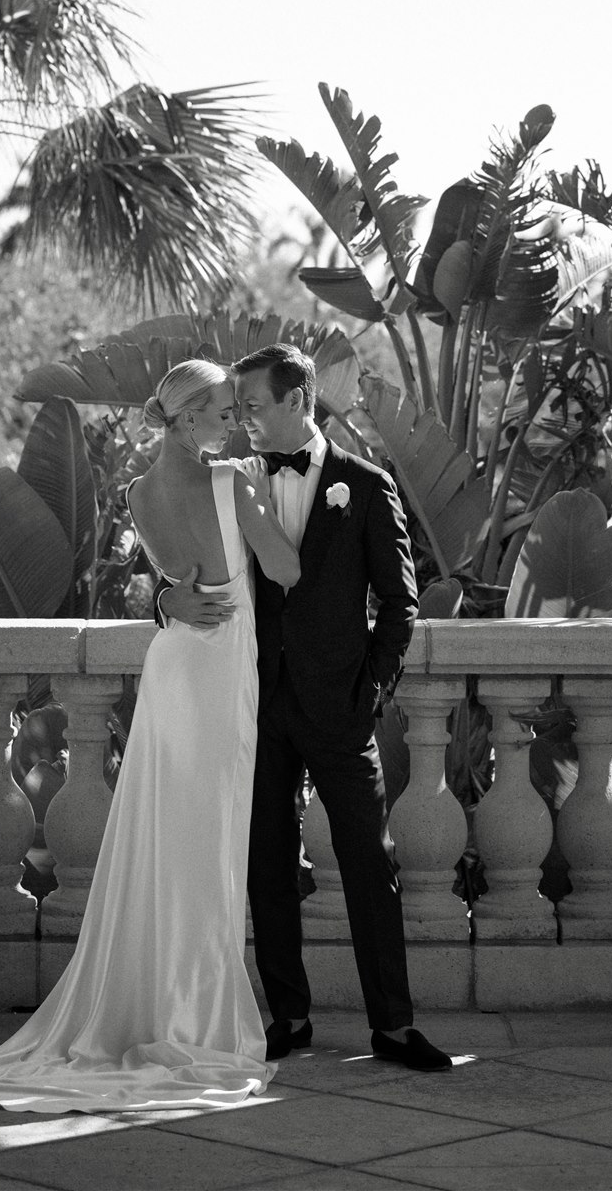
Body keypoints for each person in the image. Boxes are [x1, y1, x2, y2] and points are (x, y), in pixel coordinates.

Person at [0, 357, 299, 1113]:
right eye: (222, 411)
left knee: (164, 836)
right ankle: (196, 1016)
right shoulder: (234, 483)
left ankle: (153, 1005)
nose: (234, 422)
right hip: (220, 669)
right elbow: (282, 569)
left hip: (174, 667)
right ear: (187, 419)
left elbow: (172, 582)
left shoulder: (136, 493)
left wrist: (167, 596)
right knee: (208, 840)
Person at [161, 342, 452, 1072]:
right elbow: (173, 568)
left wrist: (370, 691)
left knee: (368, 864)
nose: (242, 421)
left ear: (299, 400)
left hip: (340, 708)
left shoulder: (367, 484)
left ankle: (393, 1026)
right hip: (253, 701)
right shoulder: (226, 480)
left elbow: (400, 603)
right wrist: (166, 600)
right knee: (266, 866)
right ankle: (287, 1016)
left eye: (253, 406)